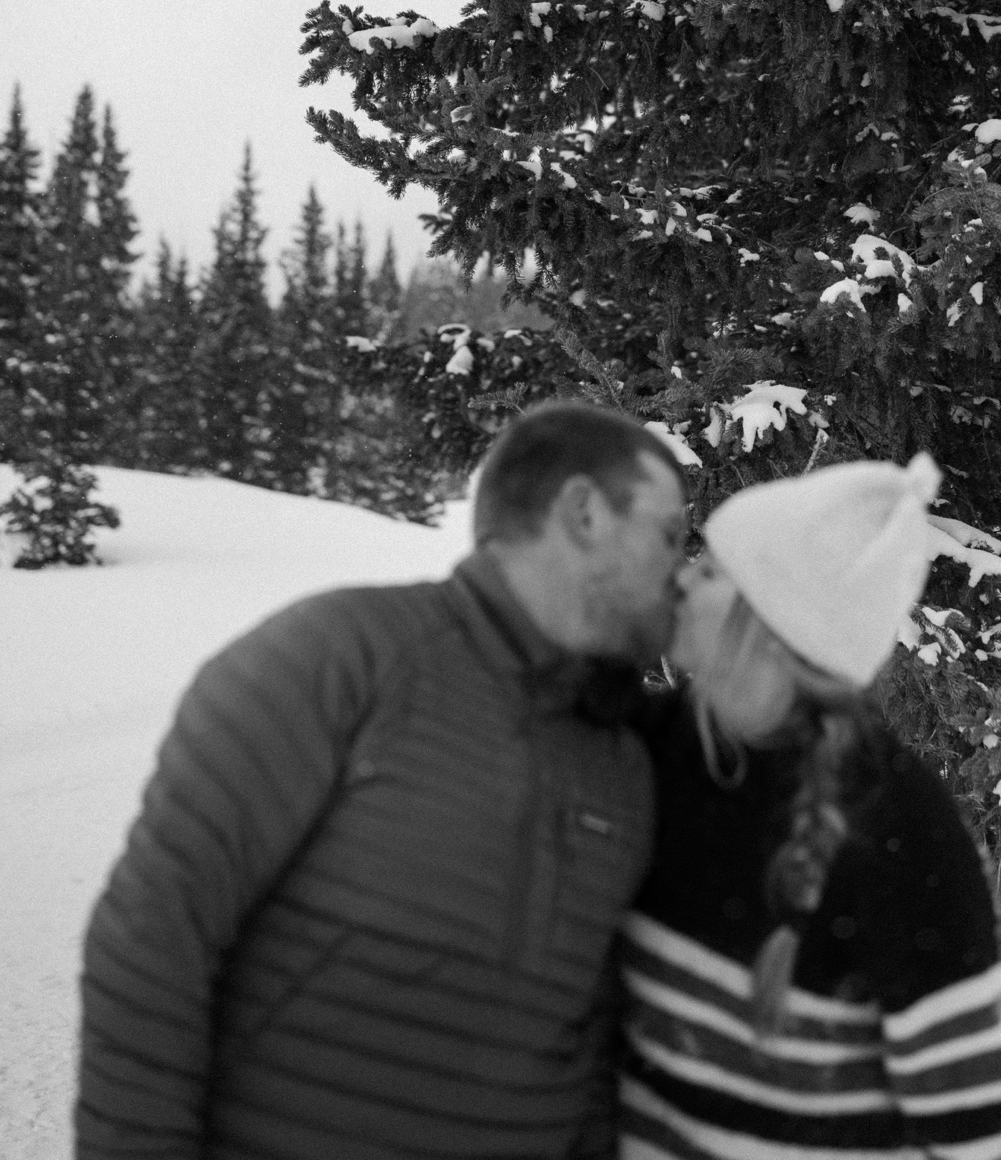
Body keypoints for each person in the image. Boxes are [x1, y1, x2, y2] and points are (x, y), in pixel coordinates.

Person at [76, 398, 688, 1160]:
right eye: (669, 536)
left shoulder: (621, 761)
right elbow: (153, 939)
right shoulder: (337, 658)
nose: (680, 573)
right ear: (584, 513)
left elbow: (591, 1042)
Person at [620, 451, 1001, 1160]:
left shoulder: (899, 828)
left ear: (769, 628)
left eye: (708, 572)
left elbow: (980, 1123)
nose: (679, 578)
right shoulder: (655, 745)